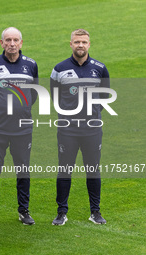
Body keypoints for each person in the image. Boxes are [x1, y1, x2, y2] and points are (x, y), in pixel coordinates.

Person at [50, 29, 110, 225]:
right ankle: (61, 212)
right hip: (68, 130)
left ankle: (95, 212)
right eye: (77, 42)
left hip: (92, 129)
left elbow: (105, 95)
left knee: (93, 170)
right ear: (71, 44)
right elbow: (55, 96)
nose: (80, 45)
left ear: (89, 44)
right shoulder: (59, 69)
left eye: (84, 42)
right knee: (64, 170)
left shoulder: (100, 68)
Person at [0, 27, 39, 226]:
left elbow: (34, 95)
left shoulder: (31, 65)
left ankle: (24, 210)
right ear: (2, 43)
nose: (12, 44)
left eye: (15, 40)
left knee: (23, 170)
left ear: (21, 43)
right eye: (8, 40)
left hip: (22, 129)